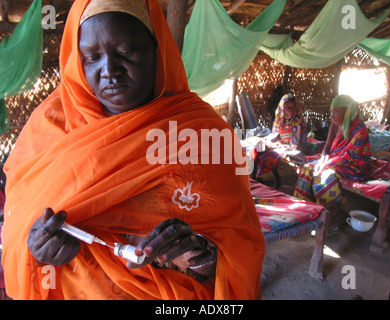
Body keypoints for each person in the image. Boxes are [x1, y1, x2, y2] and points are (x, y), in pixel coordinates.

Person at [1, 0, 265, 300]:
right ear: (77, 59)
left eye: (125, 53)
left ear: (157, 50)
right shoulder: (49, 127)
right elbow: (19, 224)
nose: (109, 70)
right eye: (92, 56)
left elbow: (239, 249)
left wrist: (200, 252)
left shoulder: (203, 135)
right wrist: (36, 249)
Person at [293, 95, 371, 209]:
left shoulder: (359, 129)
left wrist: (327, 164)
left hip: (353, 165)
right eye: (331, 112)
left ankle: (328, 211)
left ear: (347, 112)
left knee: (326, 175)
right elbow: (327, 146)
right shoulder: (335, 125)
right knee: (308, 167)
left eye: (335, 112)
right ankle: (304, 206)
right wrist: (324, 158)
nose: (332, 116)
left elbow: (351, 156)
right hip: (335, 160)